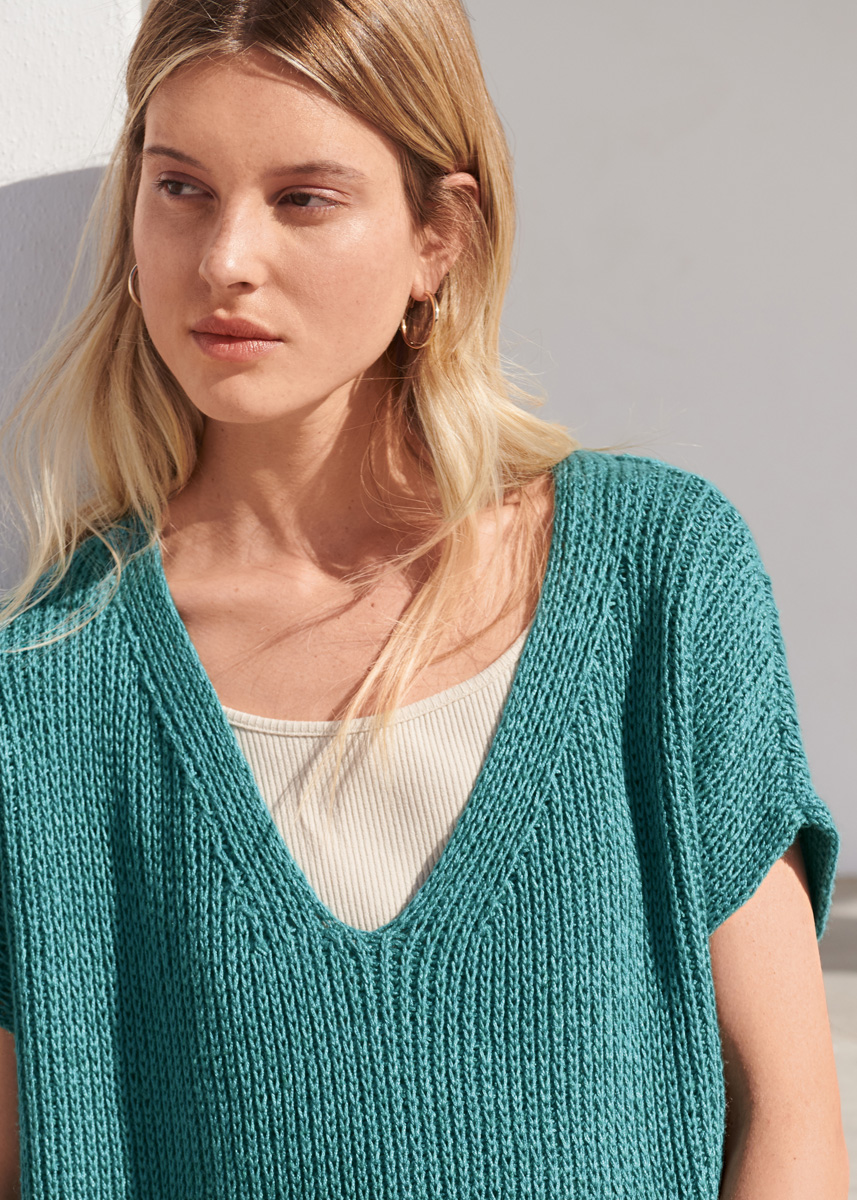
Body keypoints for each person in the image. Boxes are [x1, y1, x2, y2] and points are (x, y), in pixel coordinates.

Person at [0, 0, 848, 1196]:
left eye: (302, 198)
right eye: (180, 187)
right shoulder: (48, 687)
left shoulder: (653, 580)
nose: (225, 258)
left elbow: (788, 1119)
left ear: (437, 236)